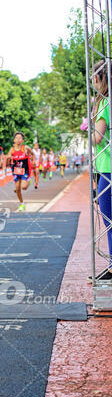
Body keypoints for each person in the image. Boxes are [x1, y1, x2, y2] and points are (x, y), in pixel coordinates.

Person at [88, 60, 112, 281]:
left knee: (109, 219)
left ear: (99, 78)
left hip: (108, 168)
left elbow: (98, 138)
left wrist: (87, 127)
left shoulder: (104, 104)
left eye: (93, 77)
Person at [4, 132, 34, 212]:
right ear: (14, 140)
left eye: (20, 138)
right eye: (16, 138)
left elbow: (32, 154)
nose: (18, 139)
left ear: (22, 140)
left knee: (24, 187)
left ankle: (28, 181)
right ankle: (22, 203)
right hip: (16, 171)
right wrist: (9, 158)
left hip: (25, 170)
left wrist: (33, 160)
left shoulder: (25, 148)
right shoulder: (12, 149)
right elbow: (7, 158)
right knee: (17, 188)